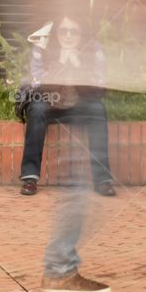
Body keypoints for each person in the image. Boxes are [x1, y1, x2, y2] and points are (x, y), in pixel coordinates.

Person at [17, 15, 116, 198]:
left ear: (81, 33)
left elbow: (99, 88)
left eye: (74, 31)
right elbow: (37, 86)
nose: (68, 36)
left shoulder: (93, 49)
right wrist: (61, 63)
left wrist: (78, 65)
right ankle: (29, 178)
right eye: (63, 30)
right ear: (56, 33)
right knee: (37, 109)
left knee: (97, 110)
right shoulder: (42, 48)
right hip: (49, 103)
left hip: (80, 105)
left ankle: (102, 180)